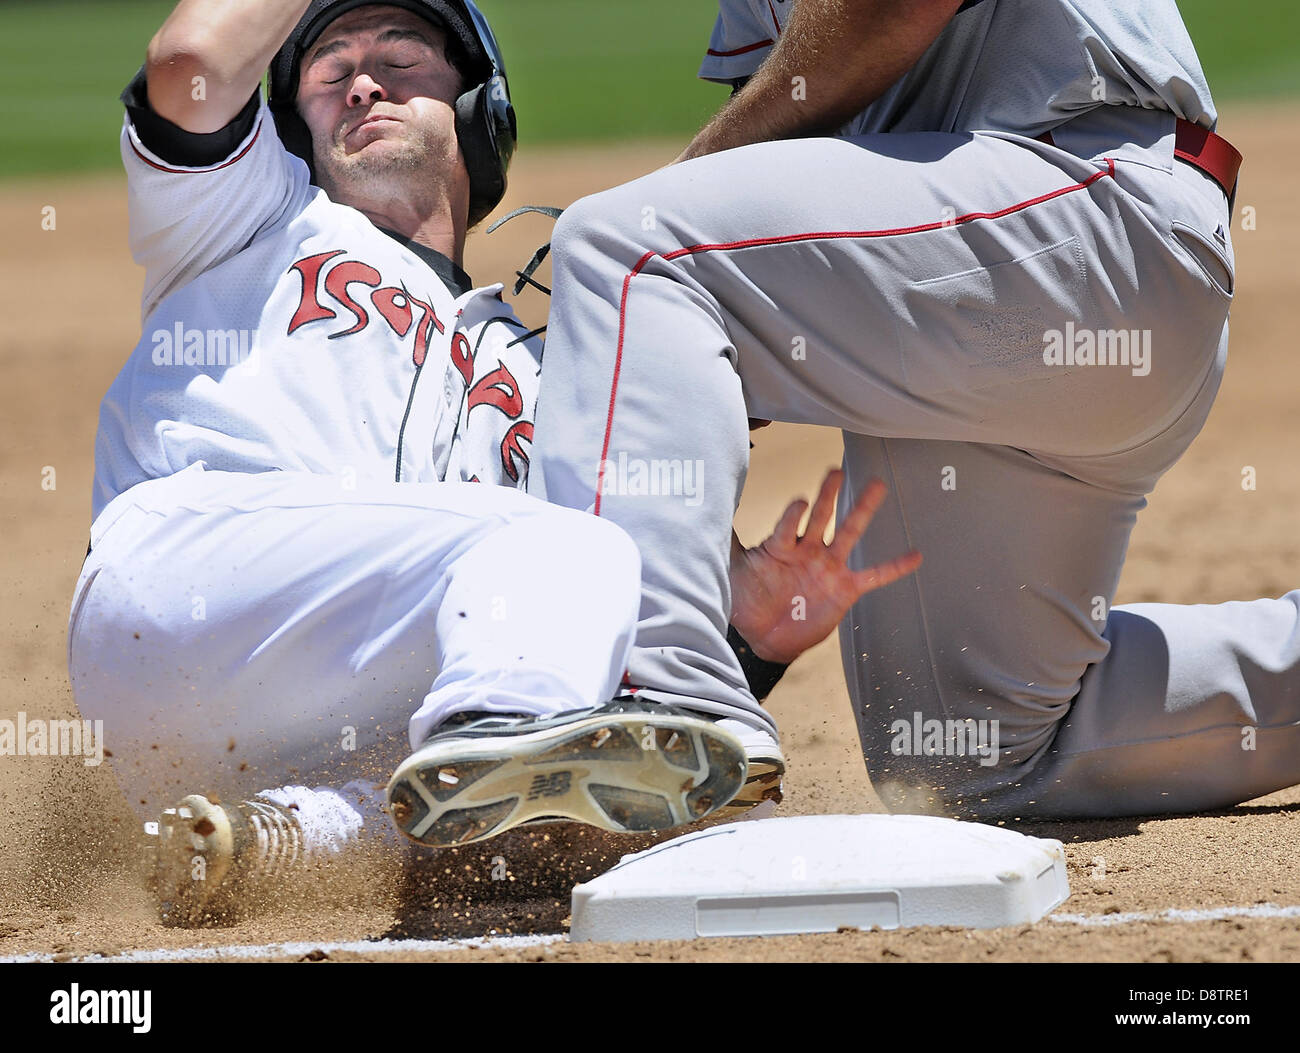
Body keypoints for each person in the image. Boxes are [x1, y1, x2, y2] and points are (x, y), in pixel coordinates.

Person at [67, 0, 920, 925]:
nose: (363, 80)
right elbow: (191, 55)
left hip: (257, 731)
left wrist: (744, 637)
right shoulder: (248, 214)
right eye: (329, 71)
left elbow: (593, 654)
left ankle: (289, 841)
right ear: (290, 127)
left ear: (481, 113)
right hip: (181, 584)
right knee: (567, 552)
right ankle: (508, 759)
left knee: (569, 605)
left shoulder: (547, 373)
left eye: (400, 57)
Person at [532, 0, 1300, 820]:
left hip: (1085, 213)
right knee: (959, 753)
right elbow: (763, 203)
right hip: (990, 325)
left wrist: (664, 226)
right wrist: (624, 361)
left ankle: (652, 702)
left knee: (631, 246)